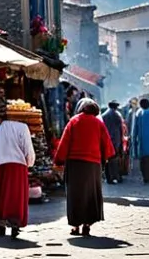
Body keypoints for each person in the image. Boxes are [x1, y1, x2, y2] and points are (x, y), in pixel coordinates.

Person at [53, 98, 115, 237]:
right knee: (91, 194)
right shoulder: (98, 123)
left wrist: (59, 160)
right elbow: (107, 145)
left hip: (75, 165)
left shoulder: (74, 121)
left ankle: (75, 226)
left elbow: (64, 142)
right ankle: (87, 225)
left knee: (75, 195)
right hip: (93, 165)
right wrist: (105, 159)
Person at [0, 115, 35, 239]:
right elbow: (28, 149)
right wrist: (30, 162)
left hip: (0, 163)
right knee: (15, 195)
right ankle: (14, 224)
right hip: (18, 165)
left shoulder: (2, 126)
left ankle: (0, 222)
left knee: (1, 194)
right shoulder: (23, 127)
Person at [100, 101, 126, 184]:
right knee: (115, 160)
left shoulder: (103, 116)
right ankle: (117, 176)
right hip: (115, 140)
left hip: (107, 140)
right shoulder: (117, 115)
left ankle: (109, 178)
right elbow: (120, 129)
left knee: (107, 160)